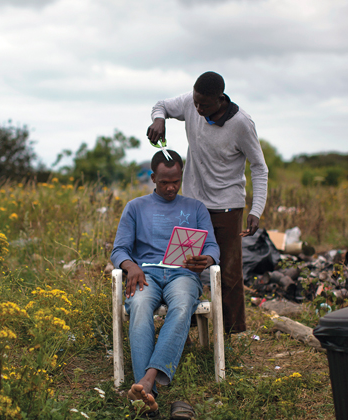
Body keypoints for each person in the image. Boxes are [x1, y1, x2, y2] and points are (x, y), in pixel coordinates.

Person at [147, 71, 268, 334]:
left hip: (227, 206)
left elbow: (259, 167)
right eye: (195, 102)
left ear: (220, 99)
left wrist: (256, 209)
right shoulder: (192, 103)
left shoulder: (241, 124)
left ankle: (233, 334)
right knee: (185, 266)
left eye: (204, 104)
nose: (197, 108)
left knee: (228, 273)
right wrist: (159, 120)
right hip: (193, 205)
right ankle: (184, 327)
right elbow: (162, 105)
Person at [110, 150, 220, 418]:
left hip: (182, 274)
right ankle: (148, 392)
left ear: (181, 177)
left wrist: (206, 259)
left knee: (182, 306)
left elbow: (213, 246)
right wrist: (131, 266)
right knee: (140, 306)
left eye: (176, 181)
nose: (171, 188)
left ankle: (146, 382)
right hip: (146, 273)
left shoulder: (196, 208)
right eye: (164, 182)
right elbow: (118, 250)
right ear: (152, 178)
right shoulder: (135, 207)